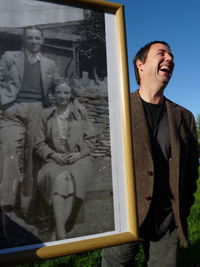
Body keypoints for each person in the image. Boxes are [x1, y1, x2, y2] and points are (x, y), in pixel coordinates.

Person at [101, 41, 199, 267]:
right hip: (125, 218)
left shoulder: (184, 117)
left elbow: (191, 169)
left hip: (167, 219)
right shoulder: (117, 108)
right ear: (140, 65)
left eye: (171, 56)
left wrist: (182, 209)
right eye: (161, 53)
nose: (170, 59)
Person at [0, 26, 59, 217]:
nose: (34, 41)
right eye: (30, 38)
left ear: (42, 41)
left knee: (32, 158)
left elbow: (58, 86)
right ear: (24, 40)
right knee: (8, 150)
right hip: (13, 109)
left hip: (38, 110)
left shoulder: (49, 64)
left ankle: (26, 206)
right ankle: (7, 201)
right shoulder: (10, 57)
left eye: (37, 38)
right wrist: (4, 102)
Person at [34, 79, 96, 240]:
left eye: (66, 92)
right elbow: (38, 143)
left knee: (71, 178)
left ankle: (59, 233)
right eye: (59, 92)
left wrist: (79, 154)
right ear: (53, 95)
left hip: (79, 159)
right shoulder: (46, 115)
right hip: (54, 159)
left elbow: (91, 139)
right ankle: (61, 233)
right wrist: (53, 155)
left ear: (71, 95)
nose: (62, 96)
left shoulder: (80, 113)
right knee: (61, 178)